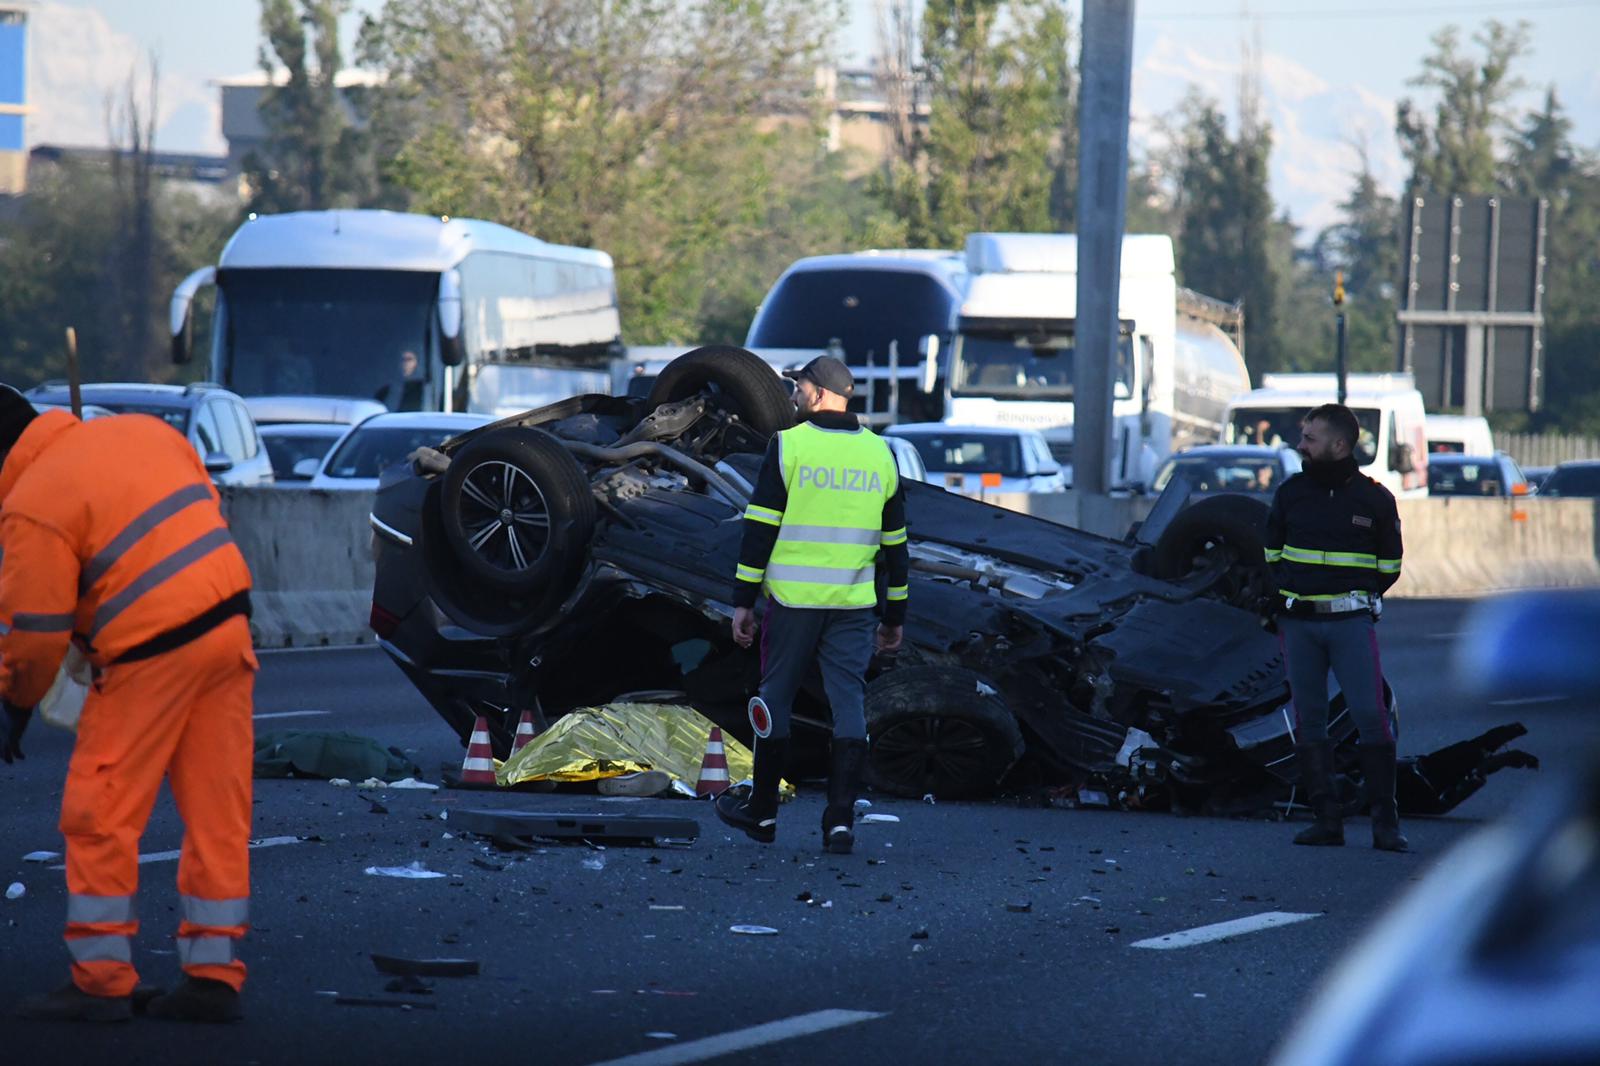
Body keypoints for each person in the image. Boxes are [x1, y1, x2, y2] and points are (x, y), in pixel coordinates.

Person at [0, 385, 257, 1023]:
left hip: (150, 651)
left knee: (100, 810)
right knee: (216, 809)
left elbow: (33, 634)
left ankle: (100, 979)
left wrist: (16, 702)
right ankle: (213, 976)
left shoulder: (31, 503)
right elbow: (200, 511)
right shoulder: (144, 432)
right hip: (229, 629)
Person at [715, 356, 909, 855]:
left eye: (799, 385)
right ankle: (840, 821)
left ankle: (761, 814)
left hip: (794, 601)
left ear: (820, 393)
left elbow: (759, 528)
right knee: (848, 703)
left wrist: (743, 601)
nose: (795, 393)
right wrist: (894, 617)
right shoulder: (880, 453)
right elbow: (897, 546)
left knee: (774, 698)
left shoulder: (790, 445)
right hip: (852, 603)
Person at [1264, 403, 1407, 852]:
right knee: (1310, 721)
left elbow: (1390, 566)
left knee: (1369, 716)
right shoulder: (1290, 494)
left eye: (1310, 438)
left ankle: (1386, 824)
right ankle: (1327, 820)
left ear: (1339, 445)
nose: (1300, 444)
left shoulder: (1375, 500)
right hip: (1299, 625)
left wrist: (1354, 597)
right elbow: (1271, 556)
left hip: (1349, 624)